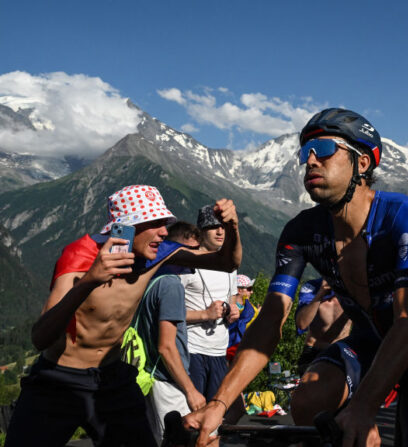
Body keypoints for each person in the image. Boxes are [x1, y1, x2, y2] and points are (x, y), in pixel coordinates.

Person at [184, 108, 408, 447]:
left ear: (363, 163)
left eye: (324, 149)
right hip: (369, 341)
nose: (310, 160)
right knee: (308, 398)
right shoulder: (302, 232)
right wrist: (219, 404)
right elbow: (269, 323)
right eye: (305, 152)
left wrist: (363, 406)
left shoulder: (403, 216)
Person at [5, 185, 241, 447]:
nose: (164, 231)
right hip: (59, 380)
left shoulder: (160, 254)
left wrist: (232, 227)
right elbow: (40, 338)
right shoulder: (80, 255)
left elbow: (227, 263)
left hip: (111, 378)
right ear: (127, 227)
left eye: (164, 222)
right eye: (154, 223)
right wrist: (88, 282)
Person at [137, 222, 206, 443]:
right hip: (167, 381)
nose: (196, 256)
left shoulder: (151, 277)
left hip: (149, 375)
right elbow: (166, 346)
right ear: (174, 249)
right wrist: (190, 390)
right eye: (192, 250)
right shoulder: (171, 285)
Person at [181, 205, 240, 401]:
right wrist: (204, 315)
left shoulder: (230, 267)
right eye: (213, 226)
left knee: (215, 415)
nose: (220, 231)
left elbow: (233, 301)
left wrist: (234, 312)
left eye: (223, 226)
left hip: (219, 351)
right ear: (201, 231)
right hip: (192, 350)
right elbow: (166, 313)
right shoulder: (186, 264)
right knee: (192, 414)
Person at [294, 277, 351, 376]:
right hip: (313, 352)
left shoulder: (353, 290)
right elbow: (302, 323)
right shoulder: (312, 287)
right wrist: (321, 293)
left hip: (340, 352)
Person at [226, 274, 259, 362]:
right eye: (249, 289)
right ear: (239, 290)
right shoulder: (226, 308)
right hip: (227, 350)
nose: (251, 292)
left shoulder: (252, 310)